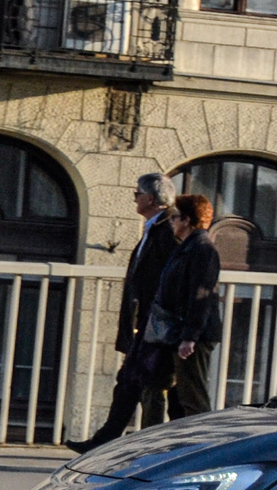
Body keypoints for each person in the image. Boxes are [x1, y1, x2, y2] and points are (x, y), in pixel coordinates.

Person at [68, 172, 179, 453]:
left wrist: (151, 316)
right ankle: (107, 439)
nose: (134, 198)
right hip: (146, 324)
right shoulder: (155, 227)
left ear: (150, 198)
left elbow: (167, 276)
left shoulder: (166, 230)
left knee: (153, 387)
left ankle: (153, 445)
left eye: (137, 193)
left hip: (154, 325)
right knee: (130, 381)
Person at [143, 195, 225, 421]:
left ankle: (201, 446)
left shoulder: (202, 248)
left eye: (175, 218)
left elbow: (201, 295)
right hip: (175, 332)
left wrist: (190, 336)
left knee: (192, 397)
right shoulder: (188, 247)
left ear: (187, 220)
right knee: (155, 385)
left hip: (190, 335)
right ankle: (155, 442)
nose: (172, 222)